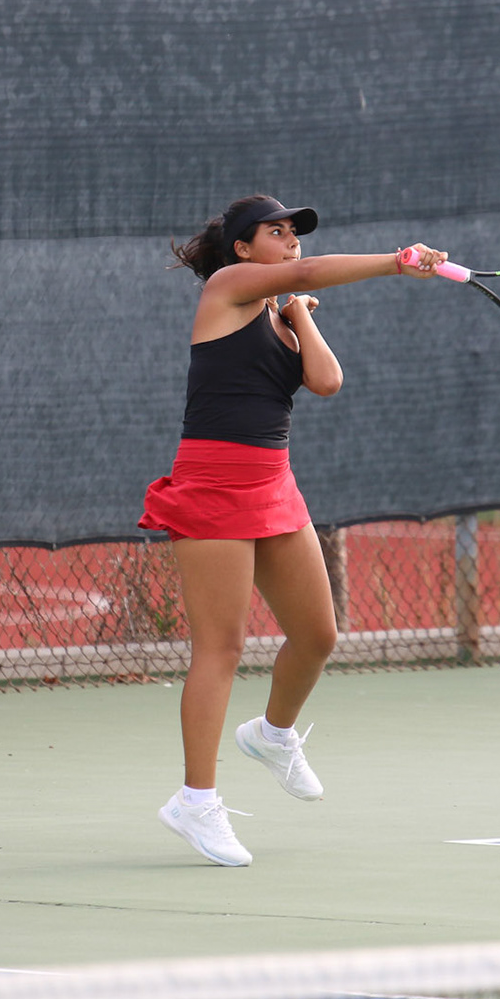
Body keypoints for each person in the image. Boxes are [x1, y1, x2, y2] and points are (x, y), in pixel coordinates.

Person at [140, 194, 446, 866]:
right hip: (213, 484)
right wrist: (397, 262)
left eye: (294, 235)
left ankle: (272, 734)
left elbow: (326, 381)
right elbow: (304, 274)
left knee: (318, 635)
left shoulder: (280, 317)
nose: (291, 243)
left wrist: (299, 316)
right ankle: (195, 802)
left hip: (273, 485)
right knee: (221, 648)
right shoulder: (226, 289)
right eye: (275, 233)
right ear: (242, 249)